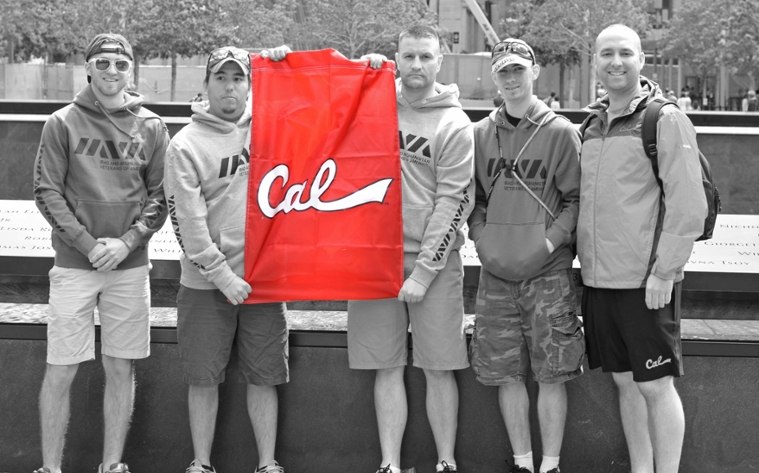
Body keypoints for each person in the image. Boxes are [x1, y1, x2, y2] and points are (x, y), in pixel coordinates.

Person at [32, 33, 169, 473]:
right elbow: (46, 192)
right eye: (103, 63)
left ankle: (111, 466)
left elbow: (161, 196)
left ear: (132, 71)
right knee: (61, 369)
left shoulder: (151, 126)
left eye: (121, 64)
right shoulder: (62, 122)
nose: (112, 72)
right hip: (75, 265)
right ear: (87, 68)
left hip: (129, 268)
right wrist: (90, 246)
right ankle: (50, 468)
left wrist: (127, 242)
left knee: (120, 368)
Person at [577, 25, 707, 473]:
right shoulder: (591, 124)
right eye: (607, 53)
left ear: (641, 60)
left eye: (625, 53)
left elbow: (690, 204)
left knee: (655, 386)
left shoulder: (663, 118)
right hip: (598, 280)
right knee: (625, 383)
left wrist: (664, 272)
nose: (616, 61)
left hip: (646, 282)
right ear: (595, 60)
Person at [164, 45, 291, 473]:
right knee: (203, 379)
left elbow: (323, 105)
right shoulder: (185, 145)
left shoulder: (271, 125)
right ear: (205, 85)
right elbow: (187, 222)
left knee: (265, 376)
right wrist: (222, 276)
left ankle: (267, 464)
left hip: (264, 281)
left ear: (249, 85)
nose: (229, 86)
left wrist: (281, 62)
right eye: (221, 78)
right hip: (205, 284)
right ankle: (201, 464)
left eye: (238, 78)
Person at [356, 24, 475, 473]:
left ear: (440, 60)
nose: (417, 65)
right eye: (408, 56)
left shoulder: (454, 123)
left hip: (434, 264)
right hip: (372, 260)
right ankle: (390, 464)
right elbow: (314, 107)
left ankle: (445, 462)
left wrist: (424, 271)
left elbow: (455, 200)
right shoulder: (372, 103)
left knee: (439, 367)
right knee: (384, 367)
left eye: (426, 56)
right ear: (396, 58)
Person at [467, 38, 584, 473]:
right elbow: (474, 198)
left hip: (548, 276)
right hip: (496, 275)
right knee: (505, 374)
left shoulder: (561, 132)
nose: (511, 79)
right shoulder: (480, 134)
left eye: (518, 69)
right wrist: (481, 239)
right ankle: (521, 462)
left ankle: (550, 465)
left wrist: (549, 244)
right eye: (503, 72)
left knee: (553, 374)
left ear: (534, 72)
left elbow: (575, 201)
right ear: (494, 77)